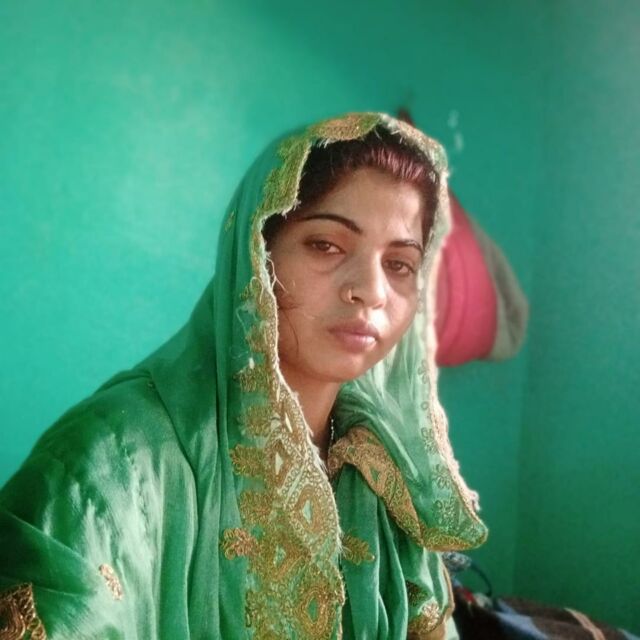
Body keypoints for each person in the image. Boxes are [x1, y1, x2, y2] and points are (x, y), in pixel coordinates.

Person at [0, 112, 487, 639]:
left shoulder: (388, 477)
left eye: (399, 264)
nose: (370, 290)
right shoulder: (108, 464)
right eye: (327, 245)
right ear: (257, 254)